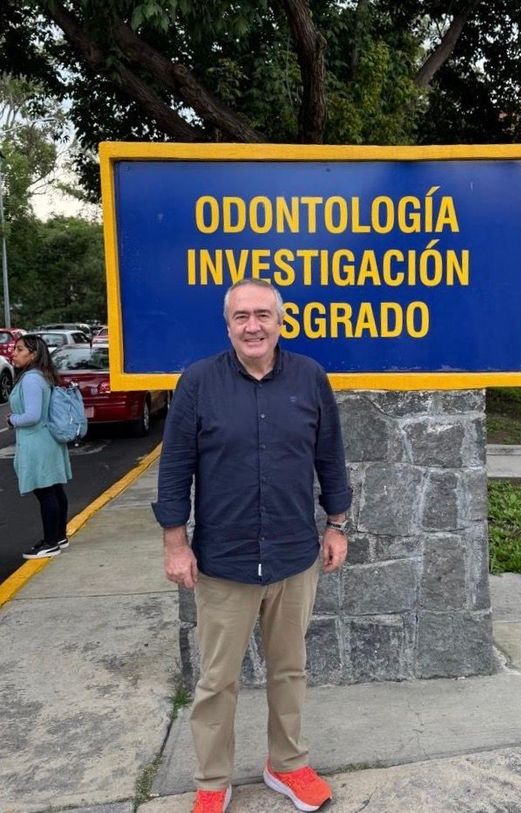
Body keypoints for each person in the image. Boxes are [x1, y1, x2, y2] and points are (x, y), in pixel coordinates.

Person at [152, 278, 352, 813]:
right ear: (228, 324)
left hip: (294, 556)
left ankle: (286, 765)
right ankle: (213, 780)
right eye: (242, 316)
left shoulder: (309, 378)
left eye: (263, 314)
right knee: (217, 679)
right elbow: (175, 469)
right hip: (224, 561)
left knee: (290, 668)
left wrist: (337, 524)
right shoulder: (197, 382)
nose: (253, 325)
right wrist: (176, 542)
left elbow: (329, 456)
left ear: (281, 322)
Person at [7, 334, 72, 559]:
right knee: (54, 489)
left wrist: (12, 420)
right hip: (48, 440)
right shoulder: (42, 376)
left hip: (37, 442)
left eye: (19, 349)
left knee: (45, 492)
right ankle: (59, 536)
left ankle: (50, 542)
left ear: (33, 354)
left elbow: (33, 415)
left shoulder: (31, 379)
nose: (13, 353)